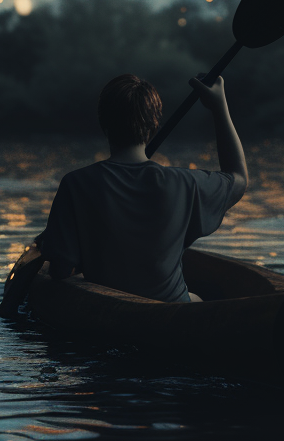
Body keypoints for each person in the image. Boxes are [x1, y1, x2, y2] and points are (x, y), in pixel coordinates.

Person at [34, 72, 248, 303]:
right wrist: (219, 107)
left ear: (103, 123)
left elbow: (60, 270)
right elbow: (238, 178)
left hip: (109, 311)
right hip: (173, 309)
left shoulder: (75, 184)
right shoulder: (186, 183)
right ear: (154, 124)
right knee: (197, 299)